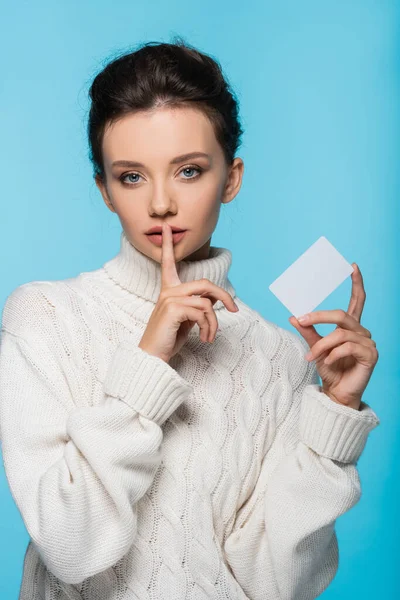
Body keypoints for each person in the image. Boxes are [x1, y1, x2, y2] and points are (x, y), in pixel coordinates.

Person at [0, 37, 380, 600]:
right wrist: (146, 365)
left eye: (189, 171)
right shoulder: (47, 316)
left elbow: (273, 584)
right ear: (104, 190)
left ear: (232, 177)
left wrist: (332, 420)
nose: (160, 204)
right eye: (131, 176)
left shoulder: (277, 355)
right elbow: (70, 548)